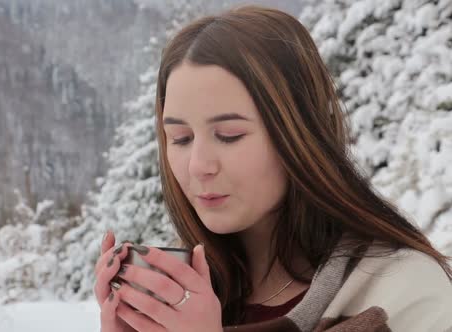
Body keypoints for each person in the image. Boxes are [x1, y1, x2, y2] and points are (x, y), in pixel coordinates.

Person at [94, 5, 452, 331]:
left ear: (300, 133)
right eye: (181, 138)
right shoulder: (185, 296)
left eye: (229, 135)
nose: (198, 165)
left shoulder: (405, 290)